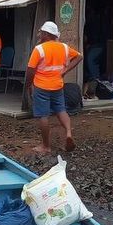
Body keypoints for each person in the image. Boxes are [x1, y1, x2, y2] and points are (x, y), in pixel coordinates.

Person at [25, 21, 82, 154]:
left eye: (41, 32)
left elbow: (30, 70)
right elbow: (79, 56)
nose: (39, 34)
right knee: (61, 111)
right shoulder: (64, 47)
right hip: (57, 85)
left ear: (46, 34)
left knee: (43, 116)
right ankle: (68, 133)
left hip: (41, 86)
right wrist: (65, 71)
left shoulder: (39, 49)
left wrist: (28, 85)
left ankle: (46, 146)